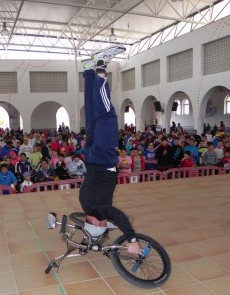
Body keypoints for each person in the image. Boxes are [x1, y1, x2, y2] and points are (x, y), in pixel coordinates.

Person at [79, 45, 139, 254]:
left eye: (103, 226)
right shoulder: (86, 206)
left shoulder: (99, 211)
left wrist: (132, 239)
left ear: (95, 221)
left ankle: (100, 66)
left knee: (107, 115)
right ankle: (87, 73)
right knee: (93, 116)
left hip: (103, 158)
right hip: (92, 159)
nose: (106, 225)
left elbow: (119, 216)